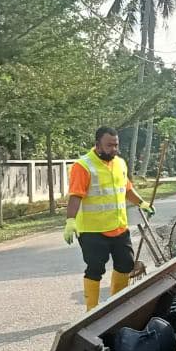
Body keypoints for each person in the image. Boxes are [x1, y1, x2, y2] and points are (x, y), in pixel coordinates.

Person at [63, 127, 155, 310]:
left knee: (126, 265)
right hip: (92, 230)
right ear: (97, 145)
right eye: (109, 145)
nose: (114, 149)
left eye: (116, 145)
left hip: (119, 227)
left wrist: (142, 203)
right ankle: (91, 309)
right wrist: (70, 220)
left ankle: (115, 305)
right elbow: (75, 195)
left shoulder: (120, 163)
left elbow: (127, 189)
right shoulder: (83, 166)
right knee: (95, 268)